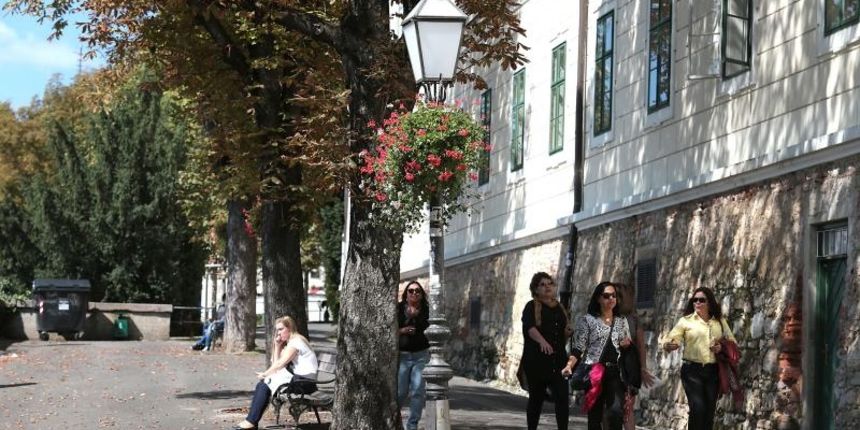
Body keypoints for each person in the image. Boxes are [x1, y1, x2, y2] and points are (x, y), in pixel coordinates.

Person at [562, 282, 633, 430]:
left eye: (614, 296)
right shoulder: (587, 320)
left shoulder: (621, 321)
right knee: (594, 416)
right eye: (606, 296)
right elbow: (578, 348)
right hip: (594, 372)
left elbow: (626, 344)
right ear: (598, 299)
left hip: (615, 372)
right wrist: (569, 365)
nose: (611, 299)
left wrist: (626, 344)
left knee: (616, 412)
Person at [663, 287, 736, 430]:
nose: (697, 302)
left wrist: (721, 348)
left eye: (701, 300)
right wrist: (669, 345)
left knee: (709, 413)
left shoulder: (719, 321)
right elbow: (672, 338)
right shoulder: (686, 321)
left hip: (713, 372)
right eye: (694, 300)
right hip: (692, 371)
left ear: (709, 303)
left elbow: (732, 341)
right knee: (698, 409)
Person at [233, 316, 318, 430]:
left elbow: (279, 365)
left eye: (281, 329)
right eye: (277, 330)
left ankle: (251, 422)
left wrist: (265, 374)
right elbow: (275, 362)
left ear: (289, 328)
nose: (278, 333)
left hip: (304, 383)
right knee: (264, 384)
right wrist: (277, 346)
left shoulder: (296, 342)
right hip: (300, 380)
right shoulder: (292, 341)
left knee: (264, 384)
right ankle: (251, 421)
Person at [521, 272, 572, 430]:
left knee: (562, 397)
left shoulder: (560, 307)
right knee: (536, 399)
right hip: (537, 361)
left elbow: (563, 329)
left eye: (550, 283)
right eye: (542, 284)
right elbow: (529, 328)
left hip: (558, 360)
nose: (547, 287)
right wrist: (542, 341)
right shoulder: (531, 306)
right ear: (536, 289)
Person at [615, 283, 655, 430]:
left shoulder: (633, 320)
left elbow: (641, 346)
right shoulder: (605, 317)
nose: (616, 299)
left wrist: (643, 368)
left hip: (628, 370)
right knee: (610, 410)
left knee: (627, 409)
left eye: (619, 295)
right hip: (609, 369)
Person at [397, 281, 430, 430]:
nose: (414, 293)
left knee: (417, 391)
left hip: (421, 355)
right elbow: (389, 329)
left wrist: (419, 319)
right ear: (406, 294)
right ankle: (395, 421)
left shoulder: (427, 311)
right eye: (411, 291)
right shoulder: (398, 309)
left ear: (422, 295)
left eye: (417, 291)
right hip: (403, 356)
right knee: (401, 392)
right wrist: (402, 331)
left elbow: (431, 331)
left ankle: (412, 426)